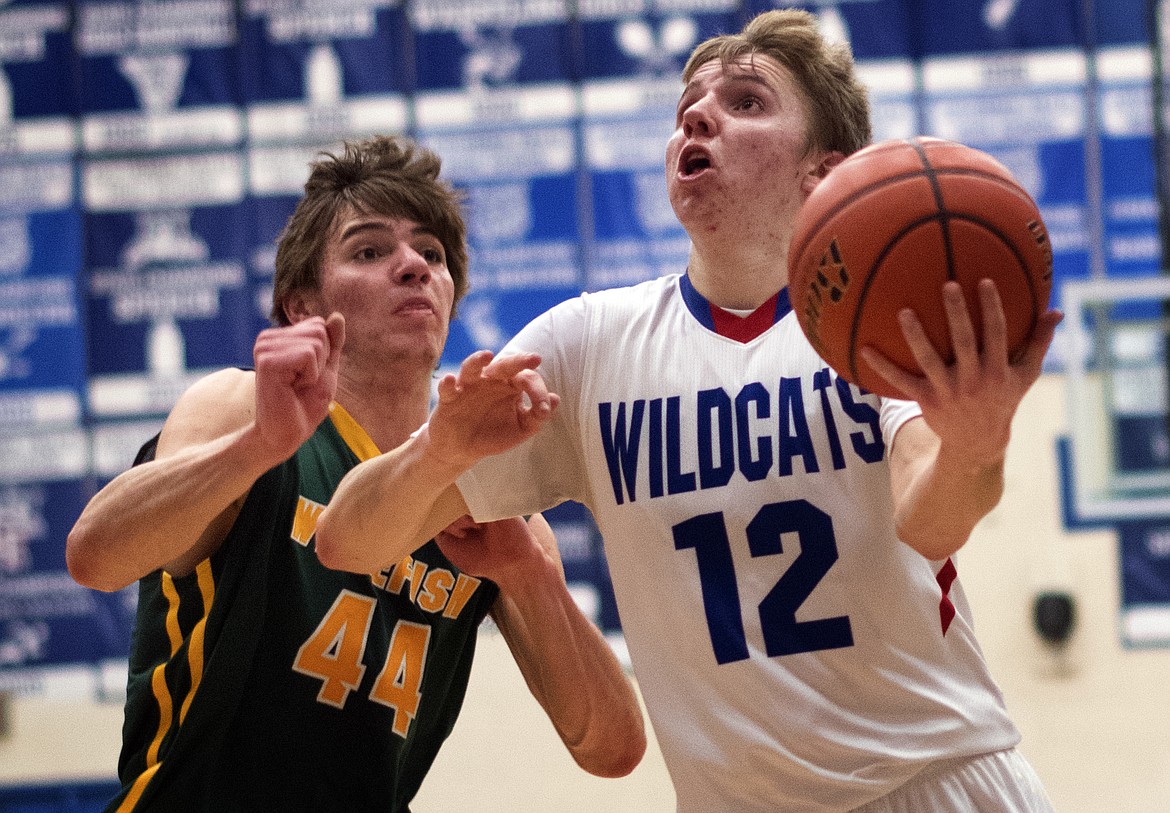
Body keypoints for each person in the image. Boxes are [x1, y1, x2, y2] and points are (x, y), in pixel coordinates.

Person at [315, 9, 1064, 813]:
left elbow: (934, 518)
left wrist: (977, 448)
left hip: (933, 783)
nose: (698, 116)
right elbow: (345, 540)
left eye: (746, 102)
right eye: (687, 111)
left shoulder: (872, 327)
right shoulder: (588, 345)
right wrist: (438, 453)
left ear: (825, 174)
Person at [66, 135, 646, 813]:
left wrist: (530, 572)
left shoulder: (478, 487)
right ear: (303, 306)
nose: (412, 266)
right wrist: (255, 446)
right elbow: (94, 555)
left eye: (431, 254)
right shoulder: (242, 408)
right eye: (370, 250)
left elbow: (612, 750)